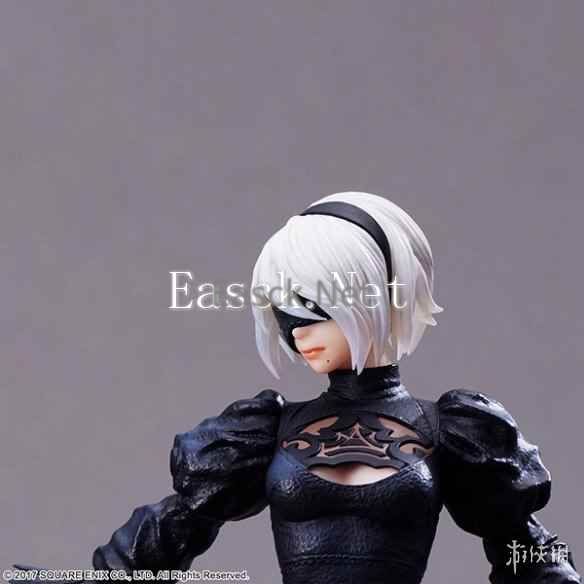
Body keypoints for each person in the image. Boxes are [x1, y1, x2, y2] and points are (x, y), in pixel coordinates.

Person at [14, 192, 581, 584]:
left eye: (313, 308)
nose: (296, 332)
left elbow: (524, 547)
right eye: (283, 312)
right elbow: (173, 531)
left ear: (374, 296)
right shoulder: (268, 430)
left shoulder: (451, 430)